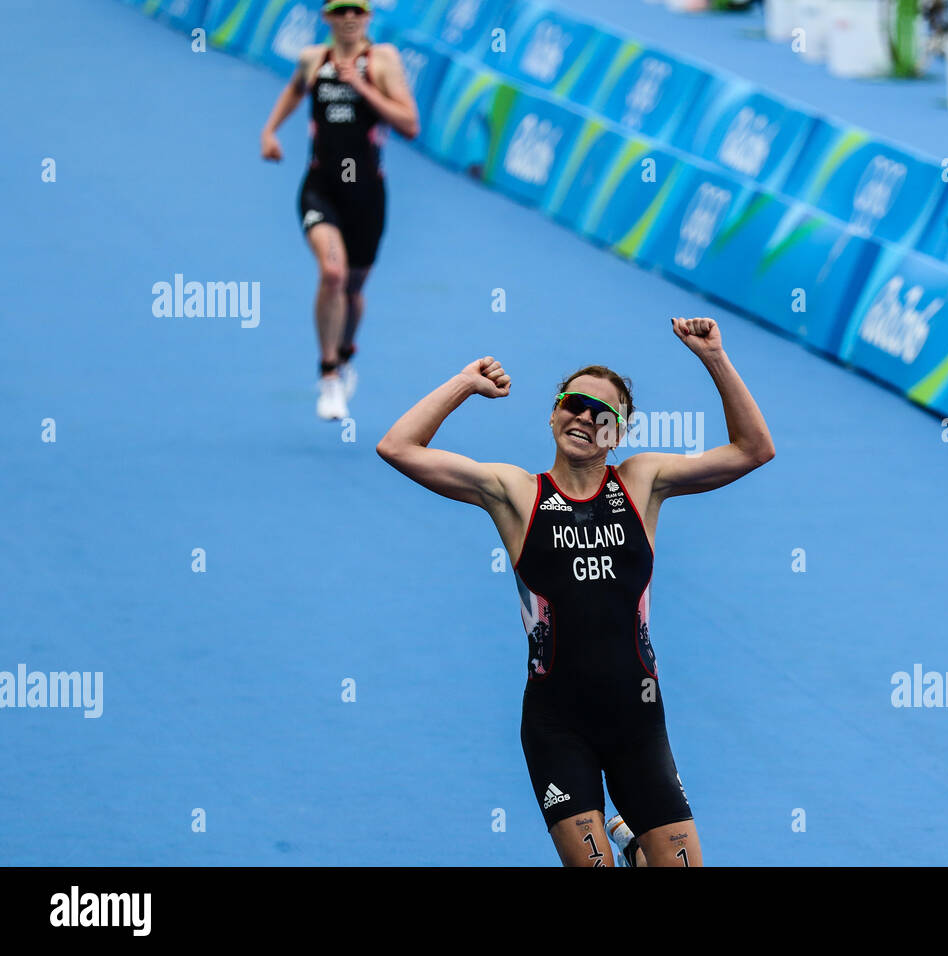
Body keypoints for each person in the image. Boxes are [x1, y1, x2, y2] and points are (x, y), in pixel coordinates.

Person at [376, 317, 775, 866]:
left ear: (619, 432)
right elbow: (397, 446)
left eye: (603, 412)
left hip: (638, 719)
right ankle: (627, 846)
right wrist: (465, 383)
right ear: (553, 413)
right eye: (574, 403)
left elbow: (754, 448)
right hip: (556, 724)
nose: (585, 416)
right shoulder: (516, 493)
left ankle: (635, 846)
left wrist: (714, 358)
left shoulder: (642, 481)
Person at [260, 0, 419, 420]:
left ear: (368, 18)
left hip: (366, 194)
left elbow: (410, 124)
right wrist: (270, 130)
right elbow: (295, 91)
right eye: (340, 10)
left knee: (352, 289)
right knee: (331, 274)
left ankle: (346, 354)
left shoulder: (381, 61)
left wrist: (362, 87)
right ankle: (328, 374)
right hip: (321, 187)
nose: (349, 18)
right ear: (326, 17)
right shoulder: (314, 59)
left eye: (357, 11)